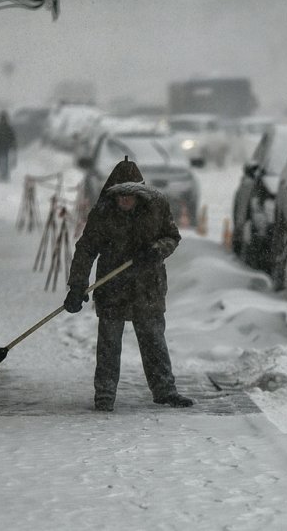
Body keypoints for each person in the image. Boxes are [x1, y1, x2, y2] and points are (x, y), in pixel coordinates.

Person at [64, 157, 194, 412]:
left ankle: (165, 390)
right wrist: (77, 286)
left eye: (130, 195)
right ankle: (104, 394)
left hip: (148, 286)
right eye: (120, 195)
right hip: (112, 286)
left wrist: (156, 250)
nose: (125, 200)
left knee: (153, 340)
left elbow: (172, 236)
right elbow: (86, 249)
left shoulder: (157, 206)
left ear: (140, 193)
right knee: (109, 344)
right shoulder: (103, 212)